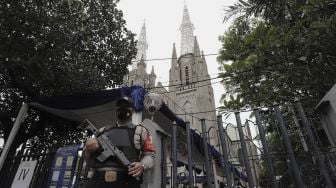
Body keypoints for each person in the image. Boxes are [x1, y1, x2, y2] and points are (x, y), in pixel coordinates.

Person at [84, 96, 155, 188]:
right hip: (97, 181)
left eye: (127, 106)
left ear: (132, 110)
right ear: (116, 110)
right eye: (120, 107)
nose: (123, 109)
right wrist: (88, 149)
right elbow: (88, 159)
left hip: (127, 181)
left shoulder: (141, 131)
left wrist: (142, 165)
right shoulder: (103, 130)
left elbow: (150, 155)